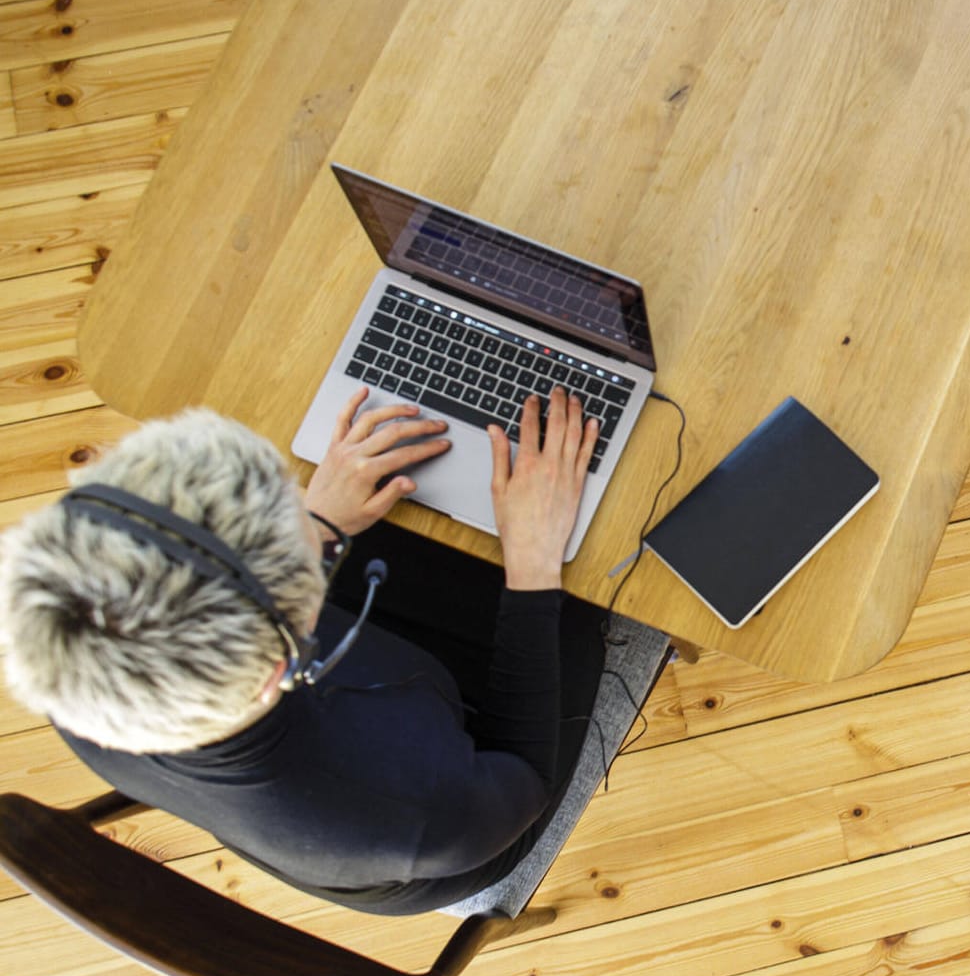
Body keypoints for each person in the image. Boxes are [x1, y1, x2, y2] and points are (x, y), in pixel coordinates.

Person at [0, 385, 608, 915]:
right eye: (306, 543)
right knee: (589, 601)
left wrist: (318, 518)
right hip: (480, 821)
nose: (310, 515)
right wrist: (533, 562)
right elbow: (526, 774)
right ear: (281, 671)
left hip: (319, 803)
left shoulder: (67, 661)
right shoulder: (428, 814)